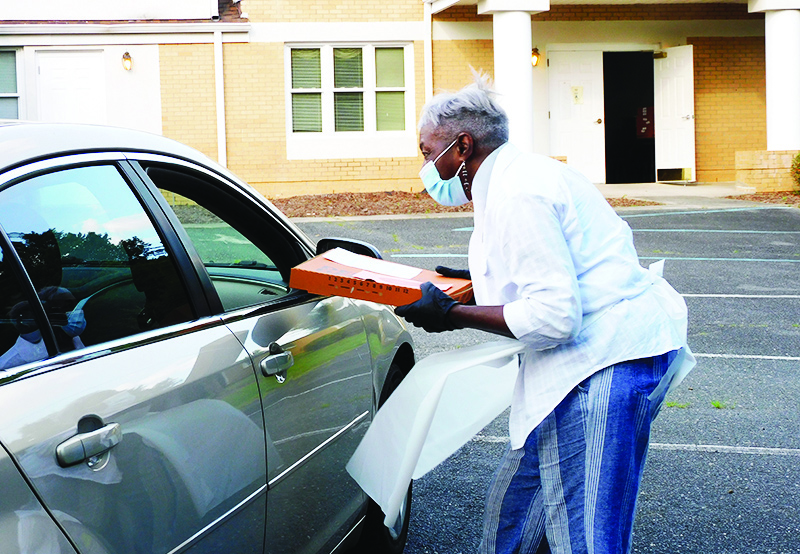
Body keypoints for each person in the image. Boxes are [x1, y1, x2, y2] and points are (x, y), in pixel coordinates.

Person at [394, 75, 694, 554]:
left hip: (602, 367)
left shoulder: (518, 192)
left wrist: (454, 313)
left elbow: (554, 316)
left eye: (429, 153)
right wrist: (472, 282)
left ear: (463, 146)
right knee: (514, 521)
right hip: (583, 365)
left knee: (587, 535)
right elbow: (547, 265)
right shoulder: (517, 176)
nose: (426, 166)